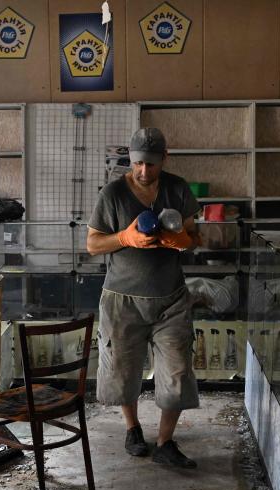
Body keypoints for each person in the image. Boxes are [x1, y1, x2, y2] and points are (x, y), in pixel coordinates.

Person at [86, 127, 202, 468]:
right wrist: (125, 237)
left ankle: (165, 442)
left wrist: (181, 240)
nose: (144, 171)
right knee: (123, 370)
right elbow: (93, 245)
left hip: (171, 299)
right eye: (138, 163)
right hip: (122, 299)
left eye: (151, 165)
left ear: (164, 159)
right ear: (130, 159)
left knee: (178, 372)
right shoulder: (113, 194)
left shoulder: (178, 189)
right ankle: (133, 428)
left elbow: (196, 236)